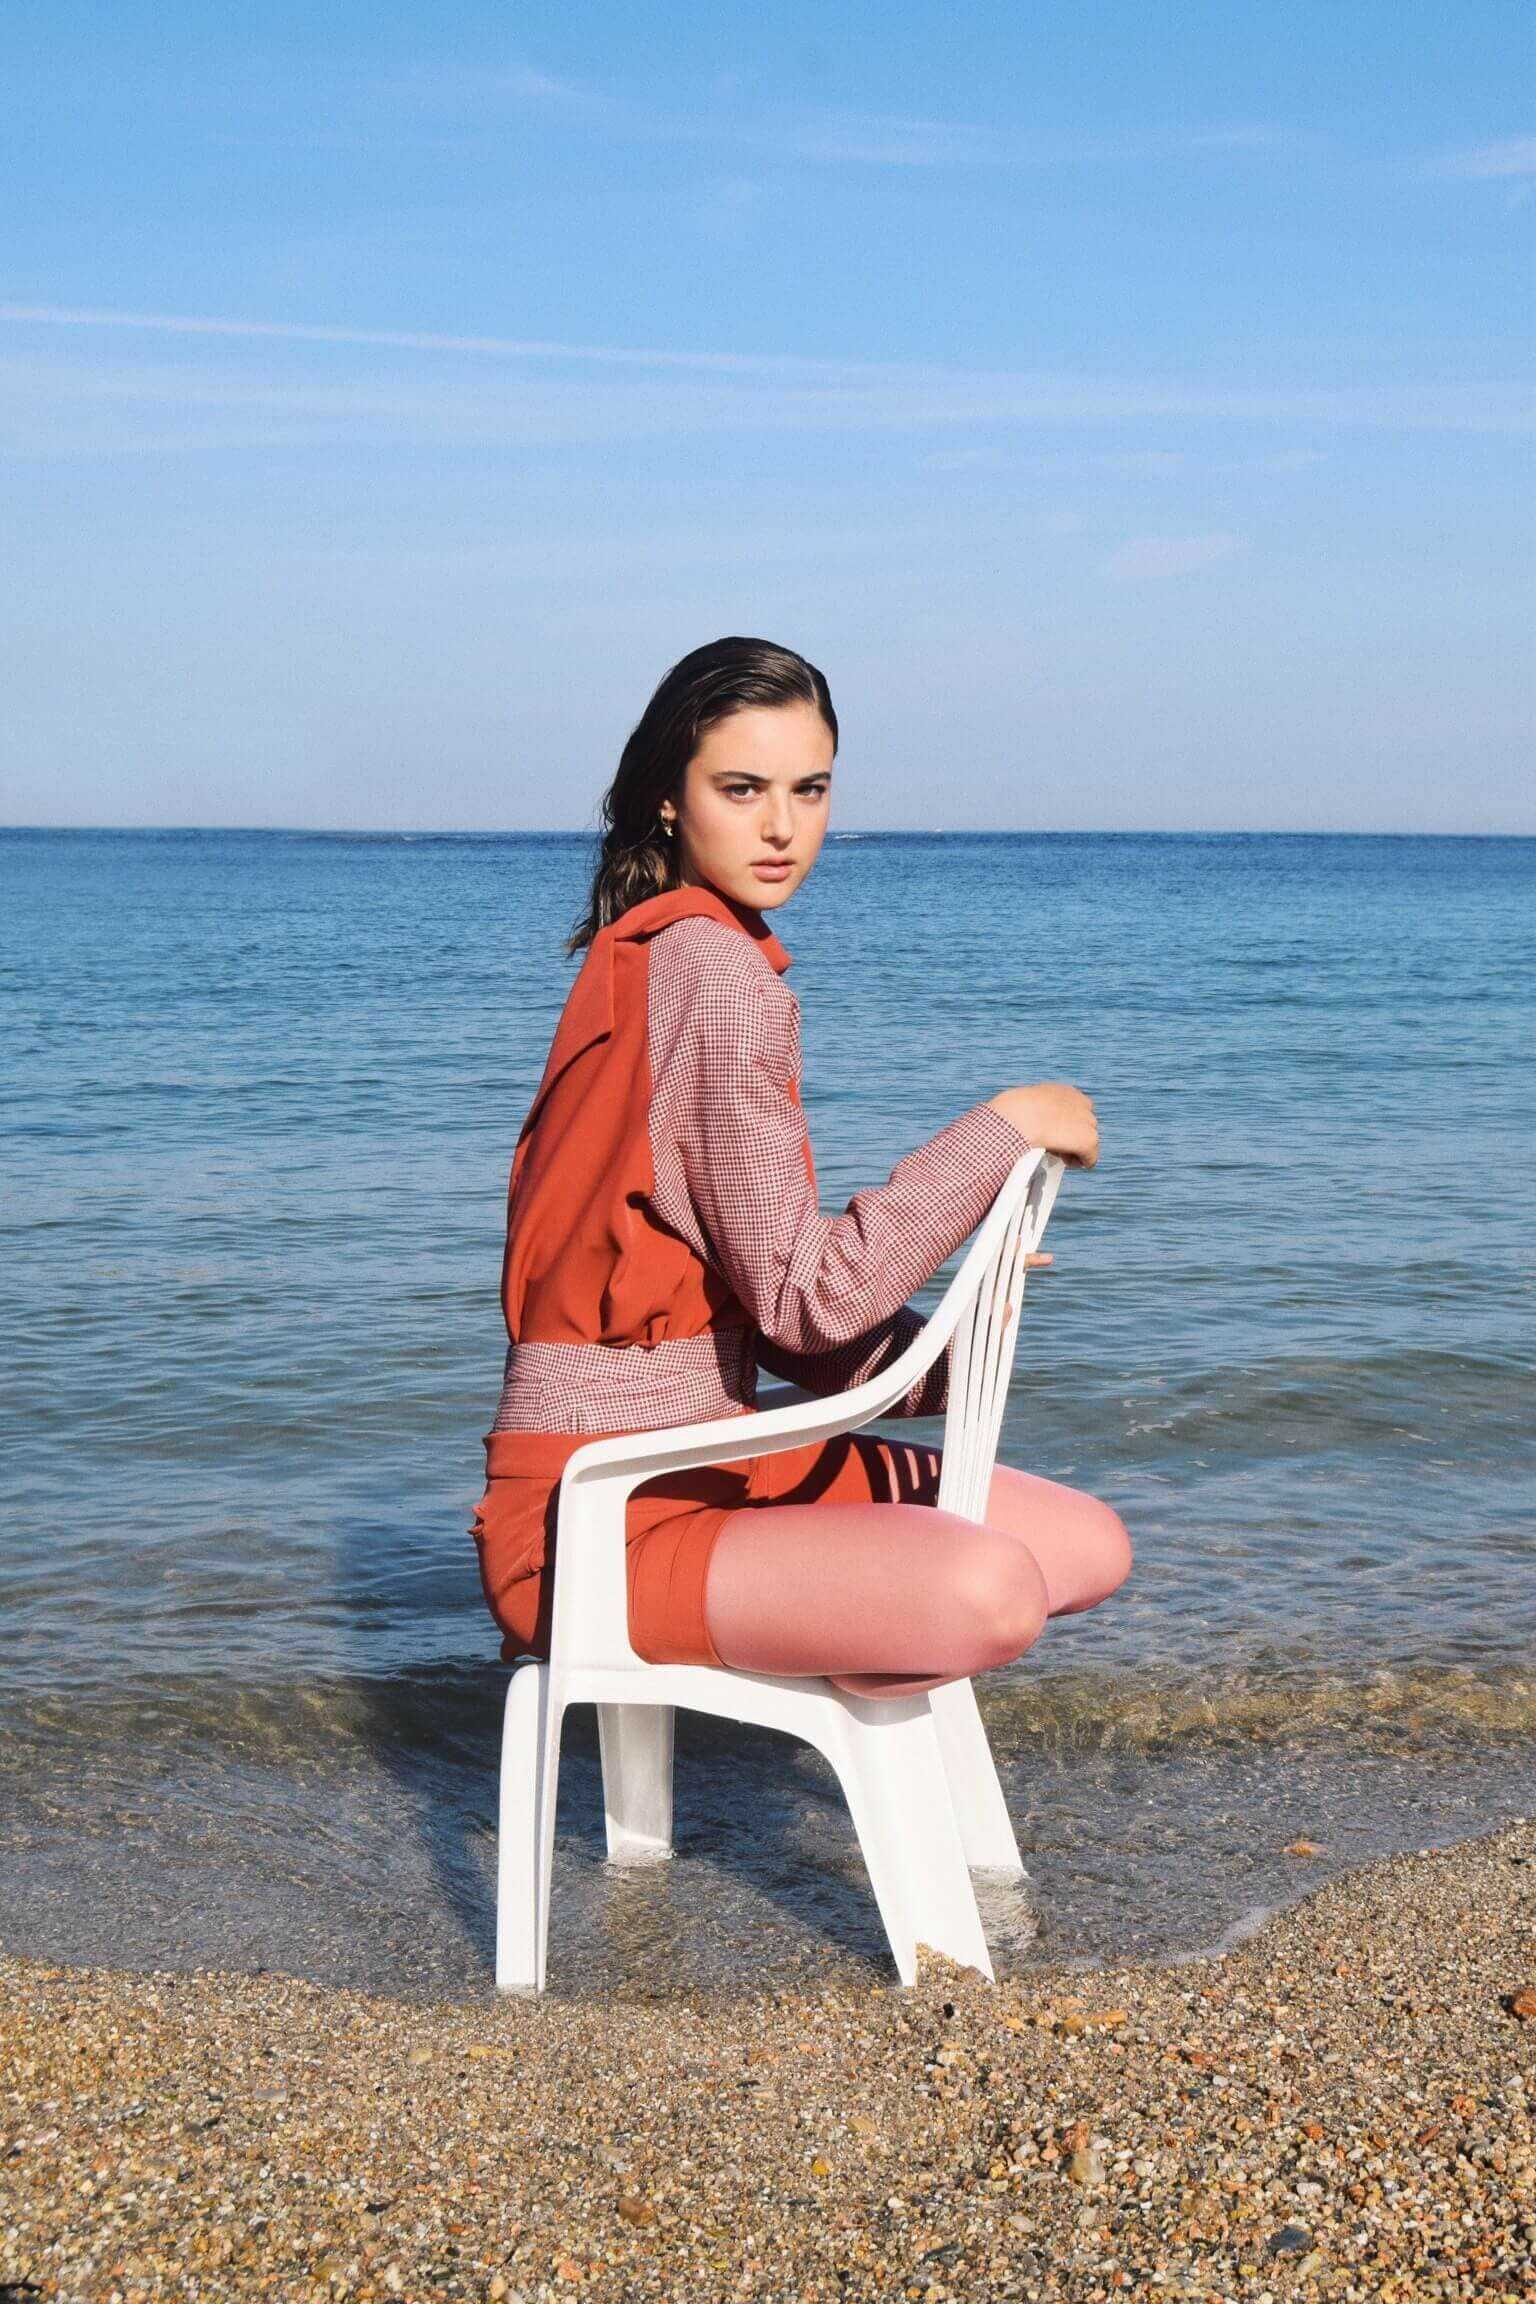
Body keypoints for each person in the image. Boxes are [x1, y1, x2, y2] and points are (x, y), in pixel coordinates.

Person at [472, 636, 1131, 1698]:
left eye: (809, 790)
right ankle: (852, 1681)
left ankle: (851, 1692)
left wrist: (956, 1330)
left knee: (1085, 1543)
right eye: (742, 789)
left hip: (721, 1453)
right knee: (993, 1589)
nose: (782, 826)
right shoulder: (714, 976)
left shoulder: (658, 954)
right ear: (670, 799)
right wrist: (1004, 1128)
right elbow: (809, 1303)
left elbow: (772, 1318)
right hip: (599, 1515)